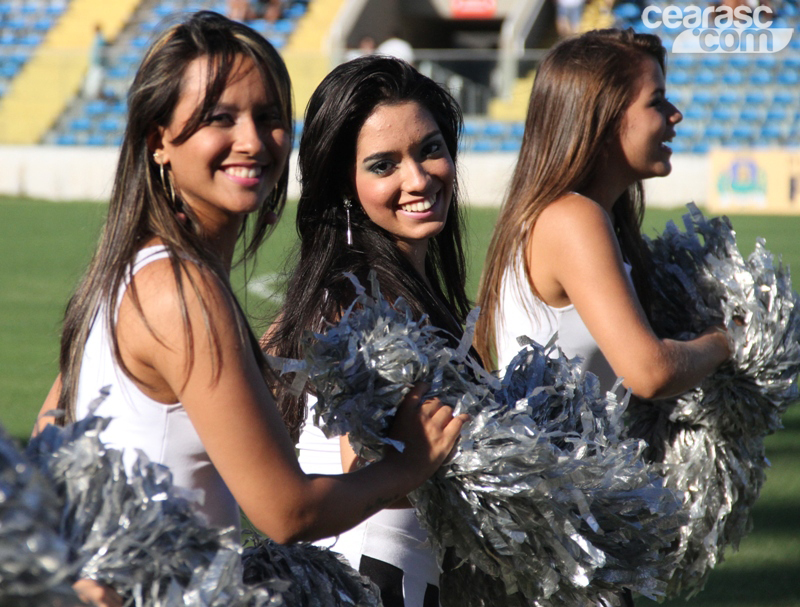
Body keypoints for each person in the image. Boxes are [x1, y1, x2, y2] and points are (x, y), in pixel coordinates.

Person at [34, 13, 466, 607]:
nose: (253, 141)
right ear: (159, 140)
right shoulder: (180, 289)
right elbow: (288, 512)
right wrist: (410, 462)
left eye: (268, 117)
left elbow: (49, 444)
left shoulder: (131, 271)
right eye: (220, 118)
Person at [263, 55, 472, 607]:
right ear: (345, 186)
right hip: (377, 583)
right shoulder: (358, 304)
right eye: (384, 165)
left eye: (430, 149)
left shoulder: (374, 291)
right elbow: (368, 467)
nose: (418, 179)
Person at [475, 28, 731, 404]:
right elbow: (650, 373)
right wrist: (725, 339)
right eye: (656, 101)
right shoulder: (572, 218)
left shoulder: (573, 214)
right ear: (604, 118)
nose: (675, 114)